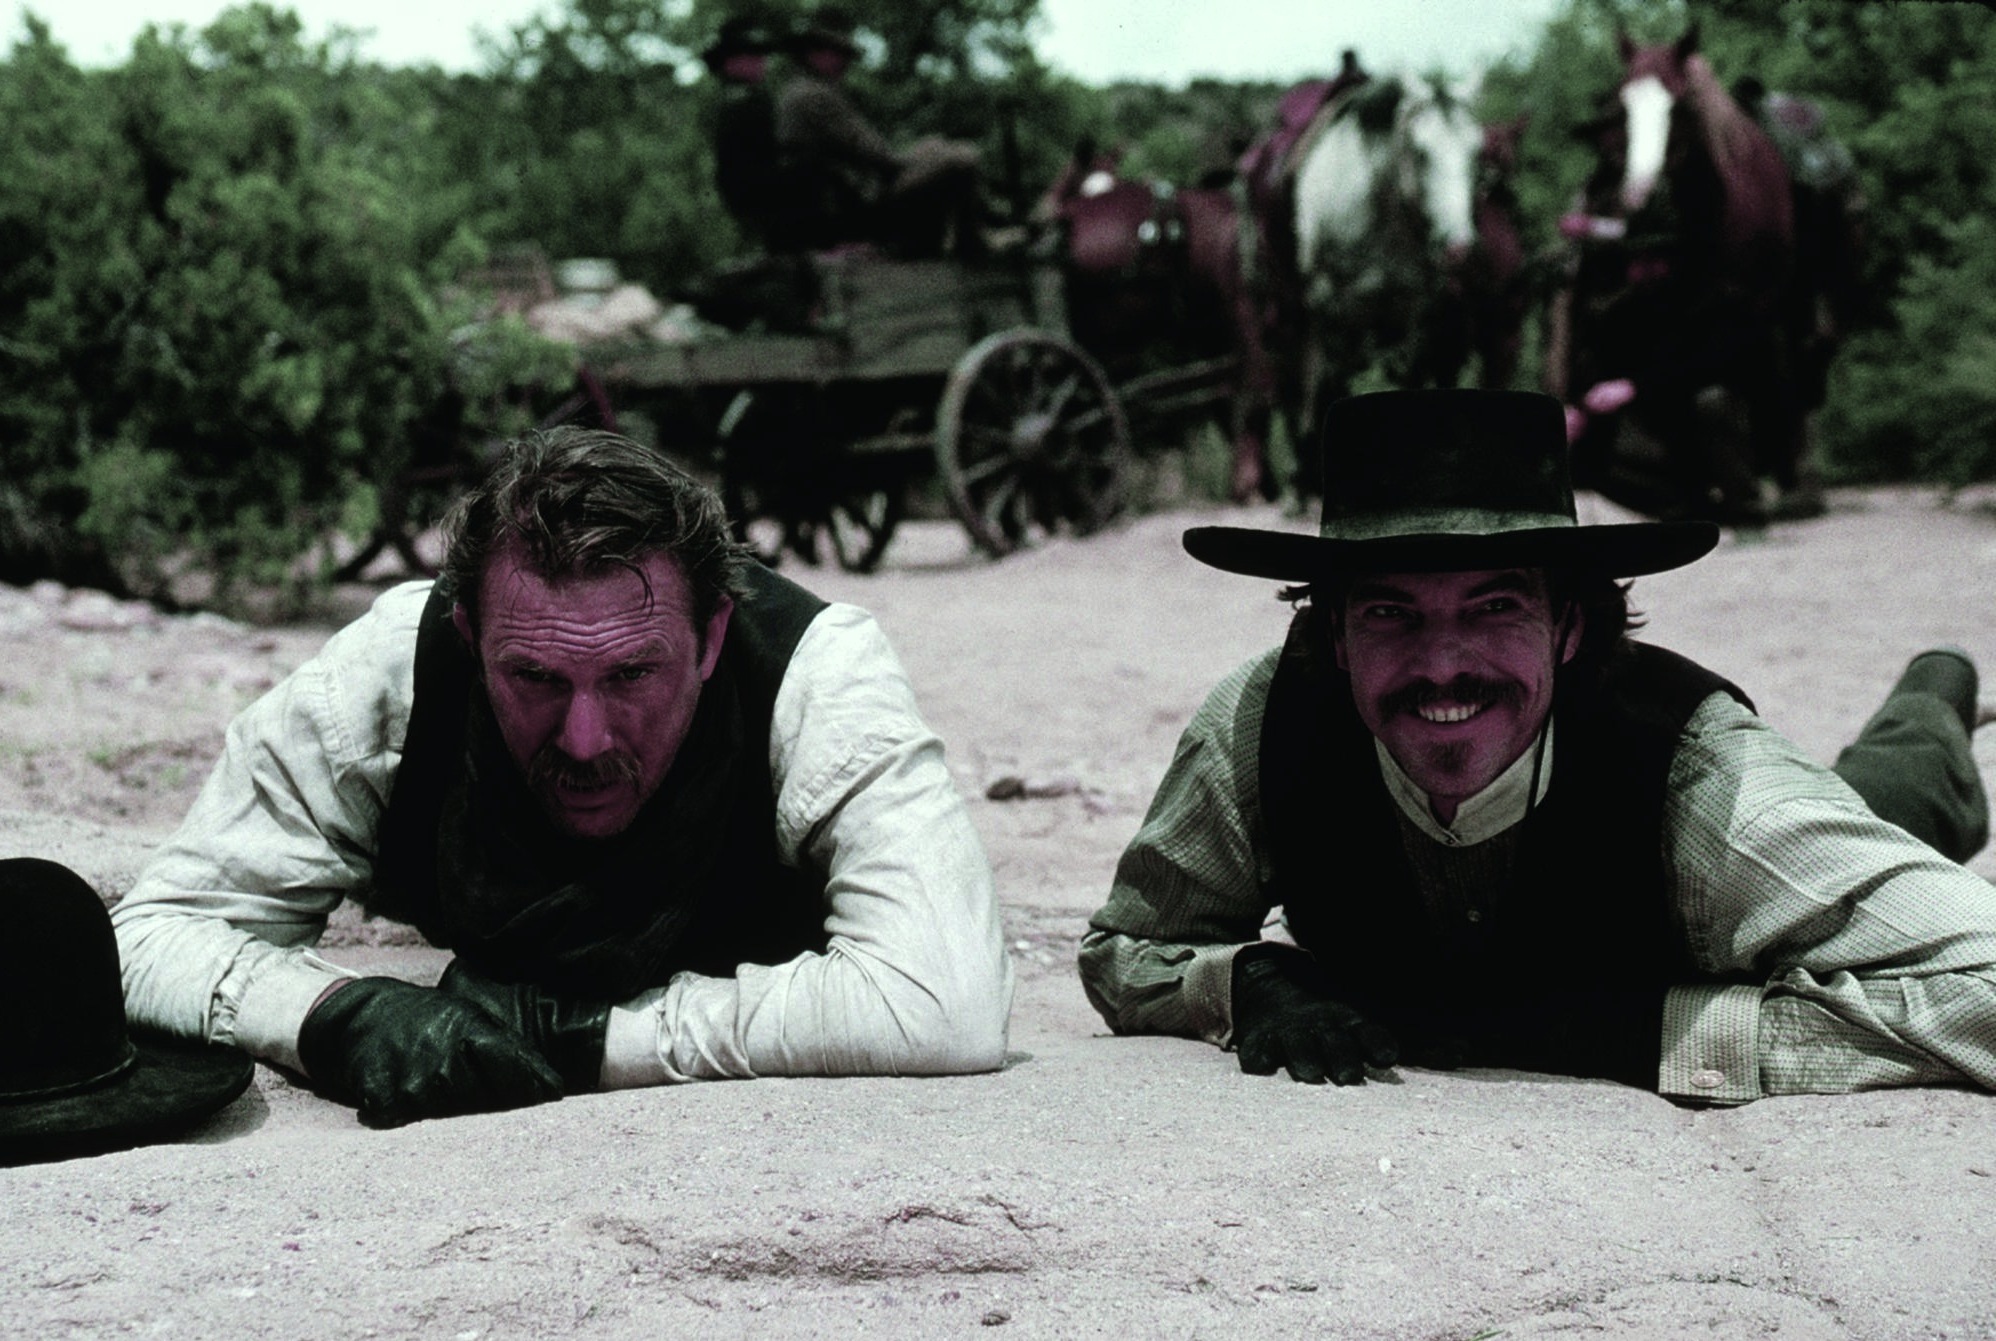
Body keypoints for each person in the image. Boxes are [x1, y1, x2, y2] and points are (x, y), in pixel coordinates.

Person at [1081, 388, 1996, 1104]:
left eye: (1495, 606)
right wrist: (1240, 983)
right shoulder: (1259, 725)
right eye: (1390, 611)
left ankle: (1934, 697)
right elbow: (1128, 946)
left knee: (1893, 795)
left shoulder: (1708, 784)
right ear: (1334, 634)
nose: (1442, 665)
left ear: (1567, 626)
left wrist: (1664, 1031)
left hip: (1747, 886)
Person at [111, 428, 1012, 1128]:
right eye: (536, 679)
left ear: (708, 641)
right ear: (471, 641)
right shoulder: (389, 672)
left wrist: (590, 1039)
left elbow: (946, 999)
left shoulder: (817, 672)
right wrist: (332, 1015)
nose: (583, 741)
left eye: (631, 676)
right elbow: (150, 933)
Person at [771, 6, 985, 257]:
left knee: (935, 147)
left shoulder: (801, 91)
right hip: (854, 205)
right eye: (837, 52)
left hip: (846, 198)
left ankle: (952, 239)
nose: (844, 61)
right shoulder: (814, 96)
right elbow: (880, 157)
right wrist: (922, 157)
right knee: (962, 159)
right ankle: (972, 246)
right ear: (813, 54)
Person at [703, 13, 785, 249]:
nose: (761, 62)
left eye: (760, 56)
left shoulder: (738, 99)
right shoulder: (745, 101)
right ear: (731, 62)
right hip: (757, 191)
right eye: (752, 55)